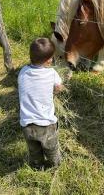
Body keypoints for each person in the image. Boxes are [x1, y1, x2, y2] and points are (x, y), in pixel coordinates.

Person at [18, 38, 64, 169]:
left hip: (26, 124)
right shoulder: (51, 73)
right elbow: (59, 87)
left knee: (34, 151)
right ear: (49, 60)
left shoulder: (22, 72)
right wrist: (58, 89)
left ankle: (38, 166)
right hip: (45, 124)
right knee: (51, 149)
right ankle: (55, 166)